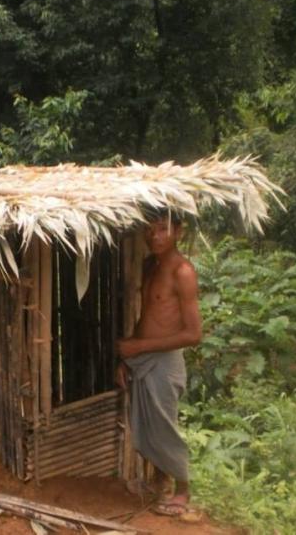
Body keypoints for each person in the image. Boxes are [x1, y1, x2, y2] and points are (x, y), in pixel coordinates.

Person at [115, 212, 202, 517]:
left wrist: (139, 347)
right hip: (144, 359)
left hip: (165, 362)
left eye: (163, 229)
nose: (155, 236)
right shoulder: (151, 266)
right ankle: (158, 483)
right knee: (149, 426)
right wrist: (130, 358)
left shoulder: (183, 272)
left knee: (165, 426)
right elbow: (147, 317)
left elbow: (193, 334)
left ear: (178, 231)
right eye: (149, 230)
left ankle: (183, 490)